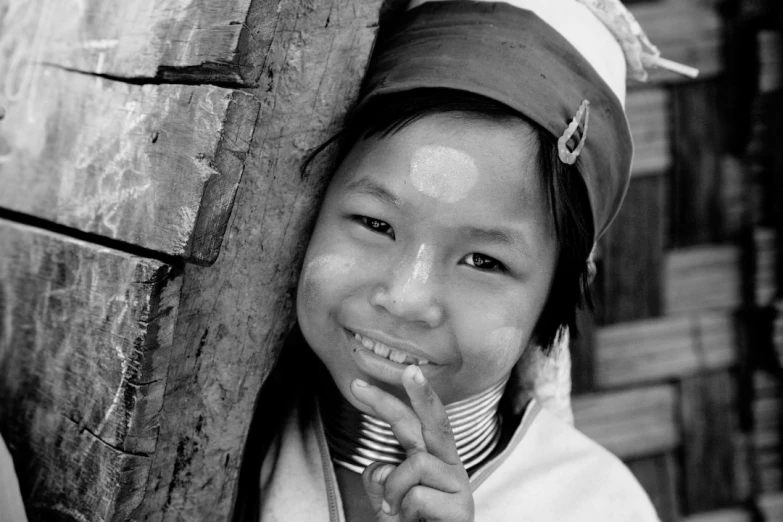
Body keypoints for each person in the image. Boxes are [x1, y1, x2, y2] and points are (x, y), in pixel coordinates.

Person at [246, 0, 693, 520]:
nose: (408, 299)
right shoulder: (207, 431)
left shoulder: (597, 506)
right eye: (376, 225)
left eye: (483, 260)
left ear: (557, 295)